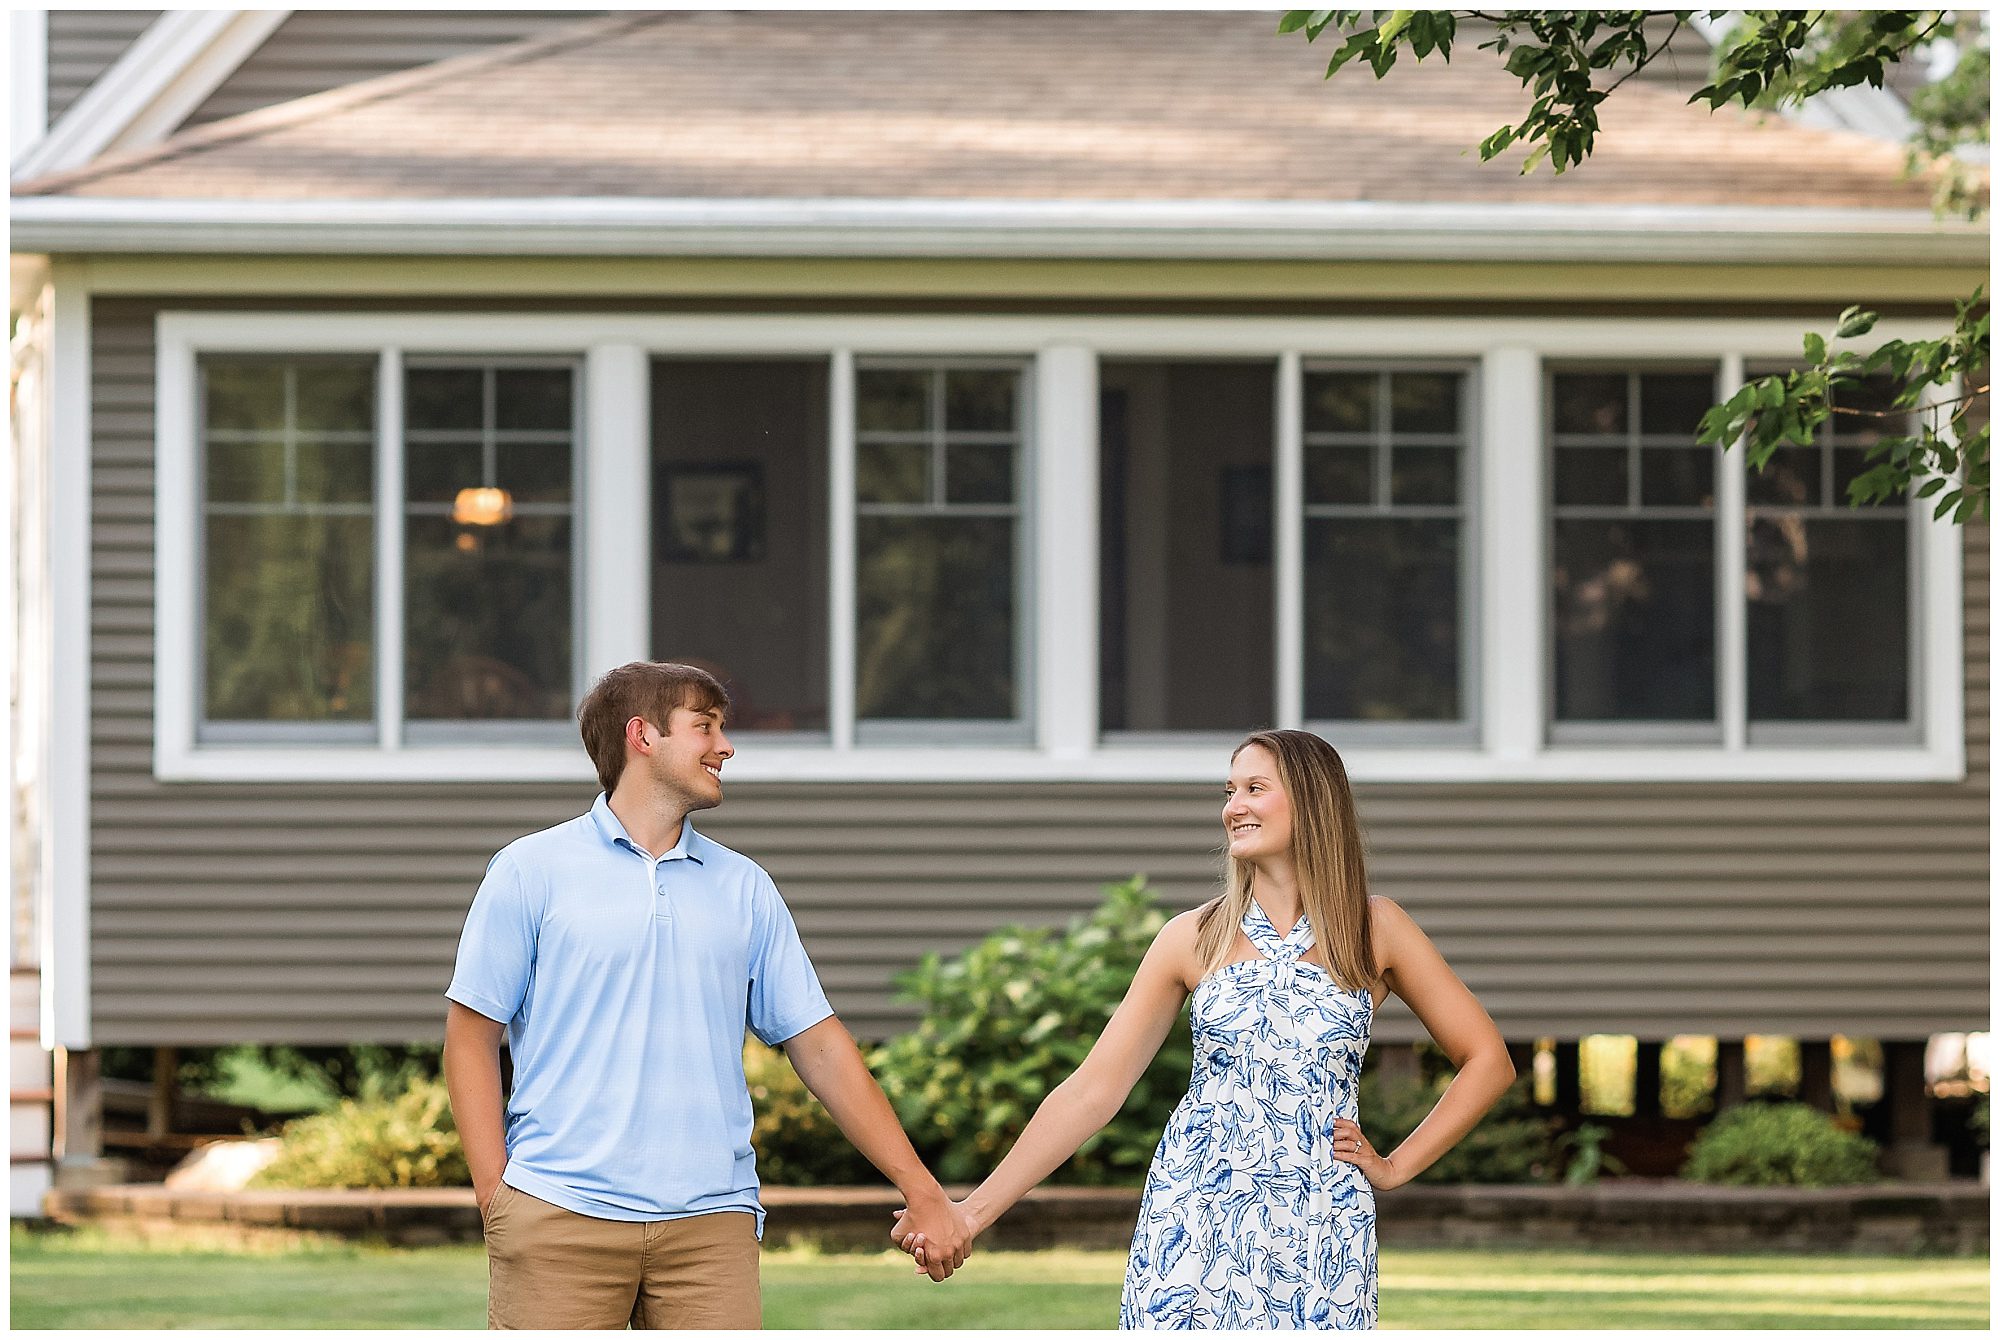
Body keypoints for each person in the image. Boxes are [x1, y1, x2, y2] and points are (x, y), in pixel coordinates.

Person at [896, 728, 1514, 1329]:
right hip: (1194, 1219)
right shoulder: (1191, 937)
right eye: (1229, 791)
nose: (1232, 808)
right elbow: (1091, 1092)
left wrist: (1396, 1167)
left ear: (1311, 801)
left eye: (1254, 789)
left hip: (1322, 1225)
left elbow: (1488, 1060)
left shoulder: (1375, 929)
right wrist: (971, 1214)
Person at [444, 661, 972, 1330]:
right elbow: (470, 1037)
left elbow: (821, 1048)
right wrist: (498, 1198)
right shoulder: (529, 871)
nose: (725, 747)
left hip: (711, 1231)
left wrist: (921, 1188)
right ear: (643, 735)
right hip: (558, 1217)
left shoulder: (744, 887)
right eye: (706, 727)